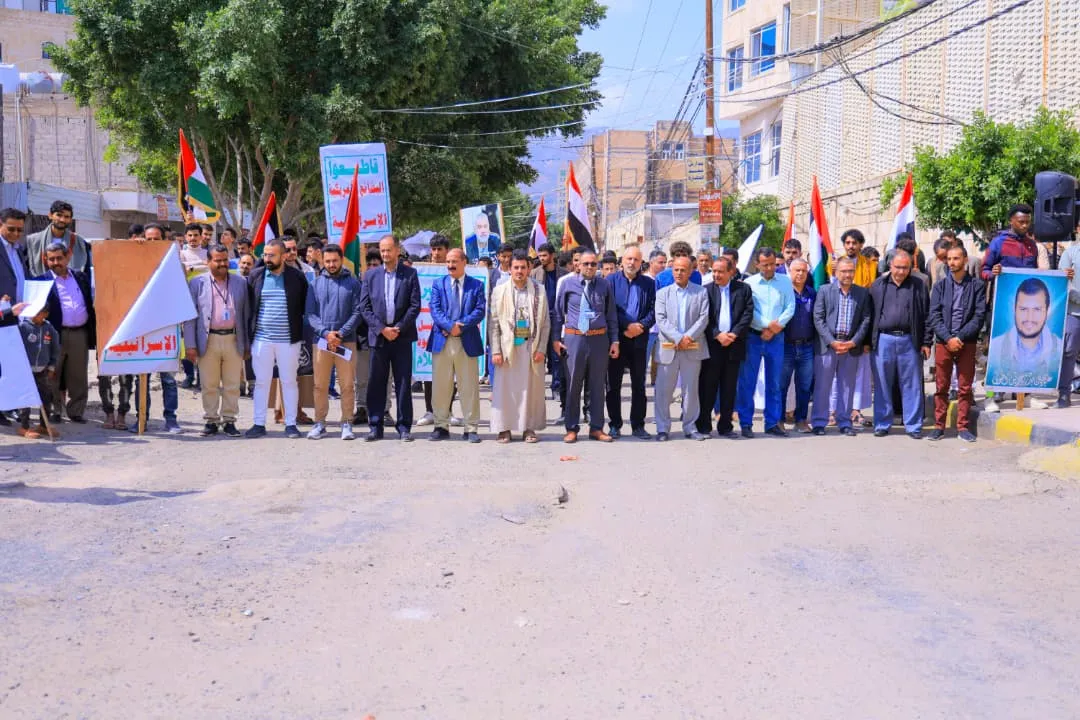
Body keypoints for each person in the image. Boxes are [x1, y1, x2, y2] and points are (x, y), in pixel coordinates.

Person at [981, 203, 1051, 412]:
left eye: (1027, 222)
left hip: (1026, 309)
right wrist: (993, 272)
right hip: (1002, 307)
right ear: (1011, 220)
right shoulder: (998, 243)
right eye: (1020, 221)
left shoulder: (1031, 245)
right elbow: (984, 271)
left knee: (1027, 352)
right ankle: (990, 397)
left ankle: (1026, 396)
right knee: (996, 353)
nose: (1024, 225)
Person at [183, 244, 251, 437]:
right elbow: (190, 317)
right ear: (208, 261)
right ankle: (211, 420)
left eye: (225, 260)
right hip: (208, 339)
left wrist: (246, 344)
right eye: (217, 260)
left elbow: (245, 315)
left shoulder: (240, 283)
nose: (222, 264)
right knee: (209, 384)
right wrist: (190, 345)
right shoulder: (197, 283)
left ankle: (229, 420)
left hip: (233, 339)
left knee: (232, 384)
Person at [359, 235, 421, 442]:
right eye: (382, 250)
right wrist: (382, 329)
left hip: (401, 338)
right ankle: (375, 426)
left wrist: (399, 328)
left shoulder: (410, 274)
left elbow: (415, 305)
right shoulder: (370, 276)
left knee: (403, 383)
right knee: (376, 382)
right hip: (379, 338)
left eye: (388, 250)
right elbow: (364, 308)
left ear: (397, 250)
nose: (385, 254)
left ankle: (404, 427)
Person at [245, 238, 309, 439]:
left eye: (271, 255)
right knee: (262, 382)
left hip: (289, 340)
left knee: (289, 381)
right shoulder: (255, 276)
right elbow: (249, 306)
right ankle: (258, 423)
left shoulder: (297, 277)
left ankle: (290, 423)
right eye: (265, 254)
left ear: (283, 256)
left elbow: (304, 306)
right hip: (262, 340)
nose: (267, 258)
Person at [553, 249, 619, 443]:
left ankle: (596, 428)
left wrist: (614, 341)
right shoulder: (567, 285)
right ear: (578, 265)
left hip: (599, 340)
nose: (590, 267)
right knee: (574, 384)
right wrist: (556, 339)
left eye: (593, 264)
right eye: (586, 264)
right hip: (575, 340)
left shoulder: (604, 286)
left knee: (597, 386)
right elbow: (557, 314)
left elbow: (611, 315)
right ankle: (572, 427)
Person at [868, 250, 931, 439]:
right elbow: (870, 315)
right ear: (890, 266)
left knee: (911, 384)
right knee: (882, 383)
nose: (902, 272)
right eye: (898, 267)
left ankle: (913, 425)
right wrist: (868, 342)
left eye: (905, 268)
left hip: (909, 341)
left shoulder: (918, 285)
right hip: (883, 340)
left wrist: (926, 341)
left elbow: (927, 315)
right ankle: (882, 423)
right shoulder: (878, 285)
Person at [927, 244, 986, 442]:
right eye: (949, 259)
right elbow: (934, 316)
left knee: (964, 387)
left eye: (956, 259)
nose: (952, 263)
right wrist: (948, 338)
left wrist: (959, 338)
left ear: (965, 260)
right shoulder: (940, 286)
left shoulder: (977, 286)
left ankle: (962, 427)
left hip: (966, 342)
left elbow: (979, 316)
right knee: (941, 386)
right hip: (944, 342)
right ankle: (939, 426)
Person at [736, 247, 796, 438]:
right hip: (754, 337)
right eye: (765, 265)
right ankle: (746, 423)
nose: (770, 268)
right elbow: (749, 309)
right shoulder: (749, 283)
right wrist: (766, 325)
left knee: (775, 382)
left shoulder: (785, 282)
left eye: (772, 264)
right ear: (757, 264)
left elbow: (790, 306)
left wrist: (776, 327)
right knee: (748, 382)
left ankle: (772, 423)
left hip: (777, 338)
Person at [490, 251, 549, 442]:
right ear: (510, 268)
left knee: (529, 390)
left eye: (523, 267)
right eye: (516, 267)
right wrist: (496, 350)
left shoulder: (539, 290)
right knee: (505, 389)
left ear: (529, 268)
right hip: (508, 347)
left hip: (530, 347)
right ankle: (504, 428)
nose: (520, 271)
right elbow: (494, 323)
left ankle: (528, 428)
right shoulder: (500, 290)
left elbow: (546, 322)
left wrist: (541, 348)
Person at [304, 244, 362, 441]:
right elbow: (310, 314)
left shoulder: (353, 283)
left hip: (347, 342)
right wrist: (326, 333)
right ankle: (320, 423)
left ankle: (346, 422)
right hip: (321, 342)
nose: (331, 264)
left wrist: (341, 334)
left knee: (346, 385)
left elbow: (357, 312)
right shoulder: (315, 284)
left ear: (341, 259)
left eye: (334, 261)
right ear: (323, 261)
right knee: (320, 385)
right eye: (327, 261)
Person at [811, 257, 872, 436]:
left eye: (851, 271)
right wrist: (832, 341)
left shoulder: (862, 293)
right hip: (828, 345)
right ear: (836, 273)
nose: (847, 275)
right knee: (823, 386)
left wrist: (854, 341)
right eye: (844, 271)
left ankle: (845, 422)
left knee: (847, 386)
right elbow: (818, 318)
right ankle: (819, 422)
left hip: (851, 346)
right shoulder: (824, 291)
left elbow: (866, 319)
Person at [428, 248, 485, 442]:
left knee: (468, 386)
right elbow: (434, 309)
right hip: (442, 341)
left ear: (464, 263)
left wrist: (460, 326)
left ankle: (471, 428)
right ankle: (441, 426)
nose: (450, 265)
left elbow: (479, 310)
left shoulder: (476, 285)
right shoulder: (438, 284)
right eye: (448, 261)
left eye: (454, 261)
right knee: (441, 386)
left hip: (466, 340)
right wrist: (449, 326)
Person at [696, 256, 753, 439]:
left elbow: (747, 314)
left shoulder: (743, 290)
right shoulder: (705, 291)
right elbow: (705, 317)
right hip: (713, 345)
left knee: (729, 387)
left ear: (731, 272)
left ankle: (725, 426)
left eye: (721, 271)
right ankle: (704, 424)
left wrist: (734, 334)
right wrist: (717, 334)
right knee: (708, 386)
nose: (716, 275)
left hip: (734, 344)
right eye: (714, 271)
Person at [653, 256, 709, 441]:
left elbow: (703, 318)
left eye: (683, 270)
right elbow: (660, 319)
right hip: (669, 348)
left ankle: (690, 426)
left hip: (692, 348)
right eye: (676, 269)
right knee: (663, 390)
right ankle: (663, 428)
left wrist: (688, 337)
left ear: (690, 271)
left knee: (691, 390)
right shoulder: (663, 294)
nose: (679, 273)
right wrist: (678, 337)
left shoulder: (700, 293)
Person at [39, 241, 96, 424]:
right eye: (51, 259)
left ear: (68, 256)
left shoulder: (81, 277)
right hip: (54, 334)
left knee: (78, 374)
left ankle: (76, 411)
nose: (56, 262)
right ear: (45, 260)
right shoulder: (41, 282)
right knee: (53, 374)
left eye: (59, 258)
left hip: (79, 333)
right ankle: (56, 410)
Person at [606, 244, 655, 440]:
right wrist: (627, 326)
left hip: (640, 340)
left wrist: (641, 326)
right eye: (629, 259)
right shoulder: (610, 281)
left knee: (639, 385)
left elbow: (654, 310)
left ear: (641, 262)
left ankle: (638, 425)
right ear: (622, 261)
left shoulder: (649, 284)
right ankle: (615, 424)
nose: (632, 263)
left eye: (636, 260)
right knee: (613, 385)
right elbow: (609, 310)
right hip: (617, 339)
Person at [986, 276, 1064, 390]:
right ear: (1014, 309)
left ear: (1047, 310)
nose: (1029, 318)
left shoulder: (1058, 348)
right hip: (995, 394)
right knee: (991, 386)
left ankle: (1027, 397)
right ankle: (992, 398)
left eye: (1037, 309)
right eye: (1023, 309)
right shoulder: (997, 346)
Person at [418, 234, 456, 427]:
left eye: (440, 249)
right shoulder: (422, 269)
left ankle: (448, 410)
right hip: (428, 328)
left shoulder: (455, 270)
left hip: (452, 328)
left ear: (447, 250)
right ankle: (430, 410)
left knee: (451, 372)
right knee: (429, 372)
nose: (436, 253)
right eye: (433, 249)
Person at [352, 247, 389, 426]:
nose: (373, 268)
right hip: (362, 337)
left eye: (376, 264)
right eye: (370, 265)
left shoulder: (388, 283)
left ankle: (385, 410)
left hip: (383, 335)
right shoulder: (357, 284)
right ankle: (361, 408)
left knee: (385, 377)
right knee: (362, 377)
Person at [531, 242, 568, 419]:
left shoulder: (564, 275)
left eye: (545, 255)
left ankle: (558, 389)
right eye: (540, 256)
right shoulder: (534, 274)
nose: (542, 259)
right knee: (539, 355)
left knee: (558, 357)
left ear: (552, 256)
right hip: (540, 320)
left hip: (558, 321)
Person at [780, 258, 816, 433]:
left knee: (804, 386)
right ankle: (778, 419)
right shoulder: (784, 293)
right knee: (782, 385)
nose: (800, 274)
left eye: (803, 270)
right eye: (797, 270)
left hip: (807, 347)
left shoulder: (812, 293)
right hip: (786, 346)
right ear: (790, 272)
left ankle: (801, 420)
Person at [16, 307, 59, 439]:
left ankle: (43, 425)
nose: (40, 316)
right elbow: (16, 347)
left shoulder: (49, 328)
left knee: (46, 397)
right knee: (26, 399)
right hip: (26, 370)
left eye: (43, 313)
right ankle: (24, 427)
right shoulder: (23, 327)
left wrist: (52, 367)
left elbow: (55, 348)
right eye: (37, 312)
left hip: (42, 370)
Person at [26, 201, 92, 276]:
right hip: (44, 285)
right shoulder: (33, 241)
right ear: (50, 215)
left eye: (66, 217)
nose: (62, 220)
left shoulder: (80, 243)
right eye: (59, 215)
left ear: (70, 219)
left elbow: (86, 274)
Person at [1057, 237, 1080, 408]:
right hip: (1074, 311)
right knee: (1069, 351)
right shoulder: (1070, 253)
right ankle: (1064, 394)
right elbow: (1062, 281)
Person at [0, 208, 29, 327]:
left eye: (20, 230)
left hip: (20, 319)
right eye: (11, 229)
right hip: (3, 318)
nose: (16, 234)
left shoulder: (19, 250)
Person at [645, 249, 667, 386]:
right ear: (651, 263)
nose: (663, 265)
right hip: (648, 330)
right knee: (642, 362)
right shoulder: (644, 280)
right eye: (660, 262)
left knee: (661, 364)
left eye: (665, 262)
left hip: (663, 330)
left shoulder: (666, 280)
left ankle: (659, 390)